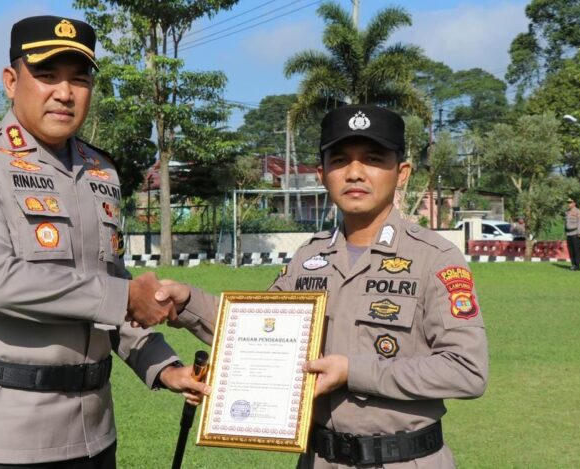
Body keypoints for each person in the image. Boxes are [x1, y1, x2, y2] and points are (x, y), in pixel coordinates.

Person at [0, 16, 205, 468]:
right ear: (11, 81)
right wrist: (124, 297)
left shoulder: (100, 171)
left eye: (79, 79)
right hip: (6, 437)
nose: (65, 92)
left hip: (95, 432)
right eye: (47, 75)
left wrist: (164, 366)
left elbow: (110, 284)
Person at [158, 105, 489, 468]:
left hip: (405, 459)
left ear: (402, 172)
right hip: (319, 460)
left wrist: (353, 371)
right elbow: (252, 332)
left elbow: (467, 370)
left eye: (373, 159)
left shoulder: (436, 258)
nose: (355, 173)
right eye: (340, 160)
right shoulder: (308, 257)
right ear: (322, 173)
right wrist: (187, 301)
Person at [565, 198, 580, 270]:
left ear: (574, 203)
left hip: (575, 233)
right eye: (568, 202)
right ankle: (573, 264)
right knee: (571, 250)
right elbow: (566, 223)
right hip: (569, 233)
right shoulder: (567, 212)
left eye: (570, 202)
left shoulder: (578, 211)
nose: (569, 204)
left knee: (576, 250)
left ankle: (577, 265)